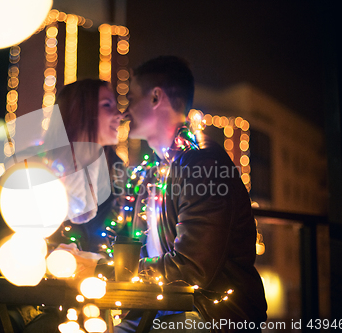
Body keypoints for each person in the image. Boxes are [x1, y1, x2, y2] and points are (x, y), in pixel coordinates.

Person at [0, 79, 127, 333]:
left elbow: (120, 248)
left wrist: (92, 261)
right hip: (10, 301)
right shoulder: (31, 166)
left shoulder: (116, 176)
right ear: (79, 112)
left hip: (83, 302)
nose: (120, 115)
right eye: (107, 105)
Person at [114, 56, 267, 332]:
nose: (125, 111)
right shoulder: (150, 172)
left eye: (132, 97)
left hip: (210, 314)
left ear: (155, 97)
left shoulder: (202, 164)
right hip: (157, 310)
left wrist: (109, 272)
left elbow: (192, 270)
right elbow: (127, 246)